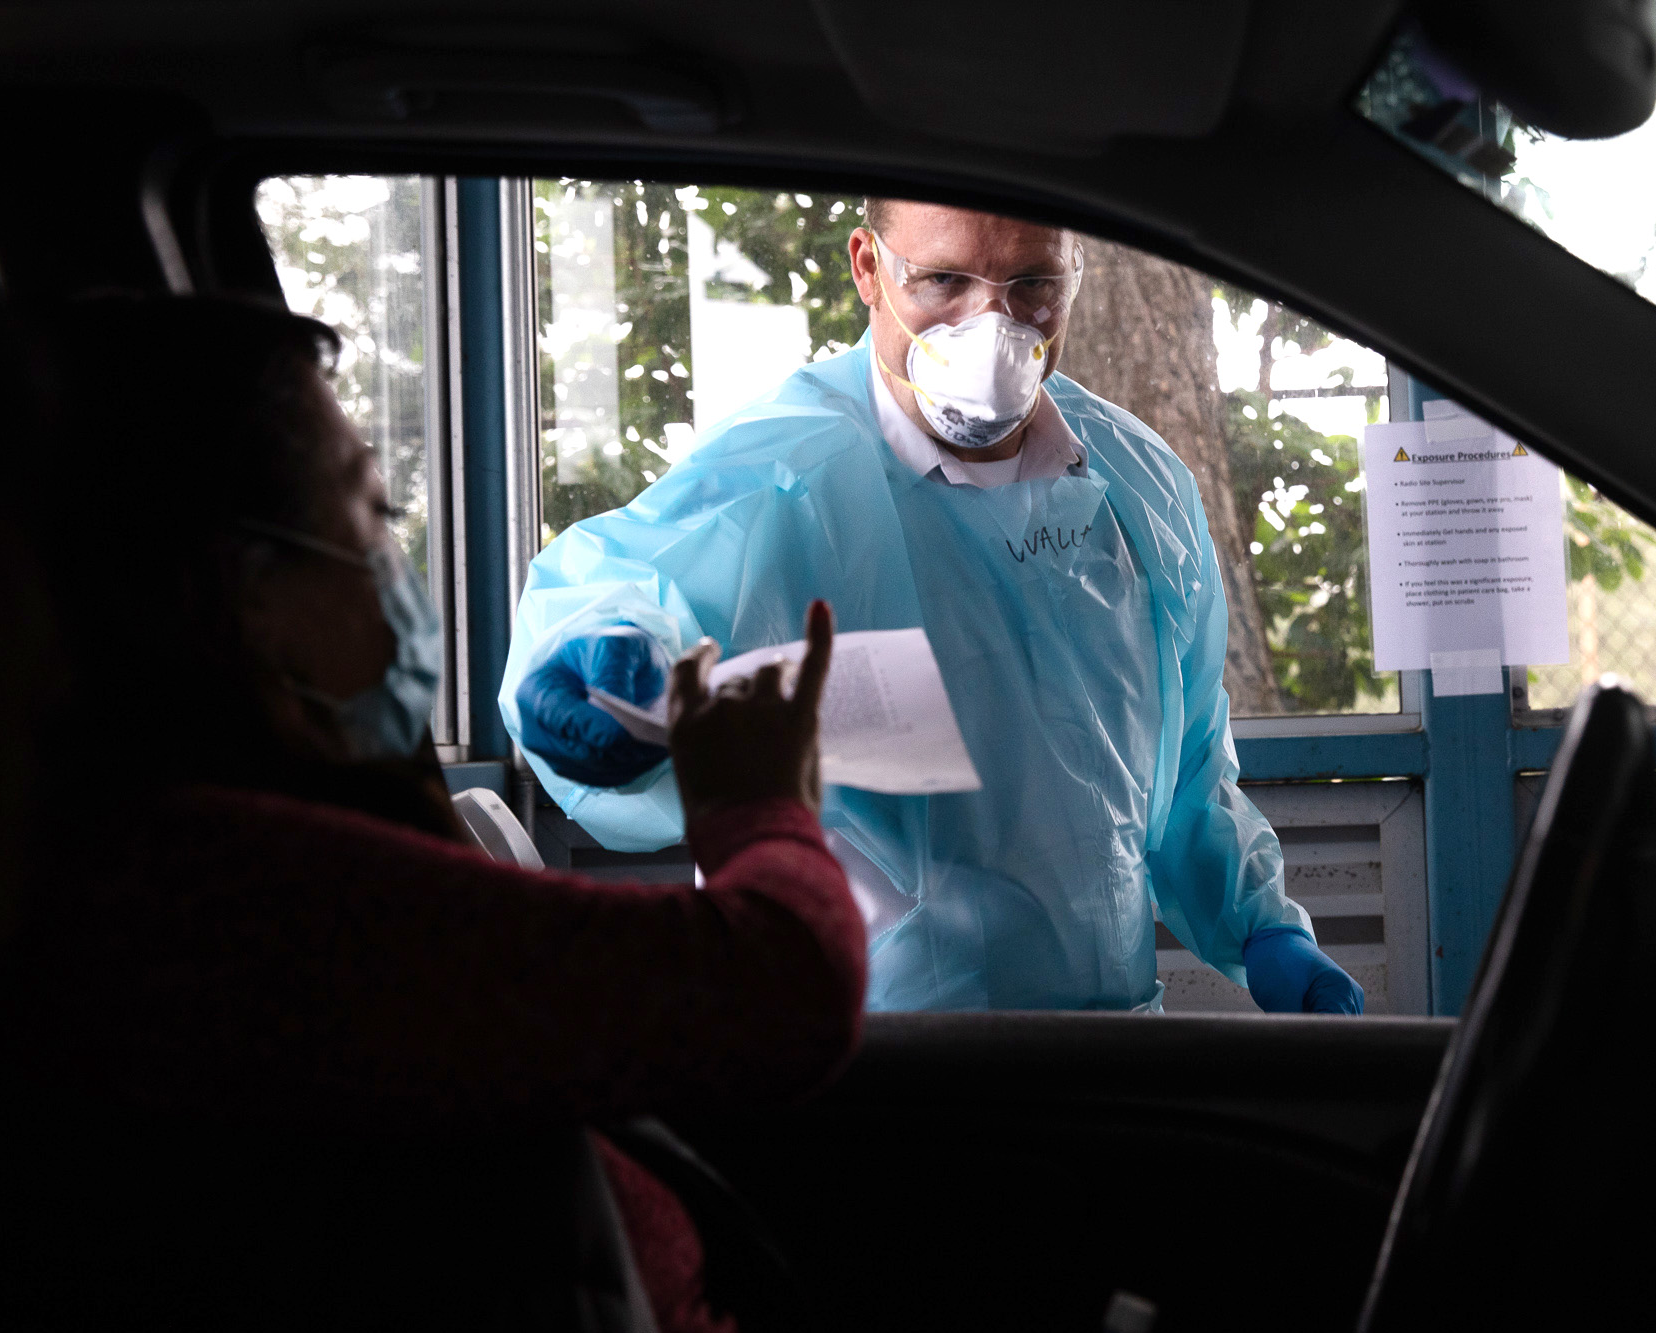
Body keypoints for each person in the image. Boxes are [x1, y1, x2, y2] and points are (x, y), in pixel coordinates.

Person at [0, 295, 863, 1333]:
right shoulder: (212, 900)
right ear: (250, 593)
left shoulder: (266, 842)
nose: (395, 569)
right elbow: (779, 988)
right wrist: (755, 803)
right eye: (371, 516)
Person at [506, 199, 1364, 1015]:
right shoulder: (786, 476)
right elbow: (620, 584)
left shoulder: (1140, 489)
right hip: (861, 1063)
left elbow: (1186, 773)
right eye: (943, 281)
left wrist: (1263, 929)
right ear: (868, 268)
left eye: (1033, 285)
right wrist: (600, 654)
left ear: (1074, 273)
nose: (991, 330)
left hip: (1104, 1046)